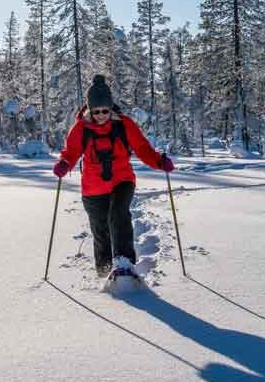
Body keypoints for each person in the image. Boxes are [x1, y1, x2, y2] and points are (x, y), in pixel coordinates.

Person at [53, 74, 175, 278]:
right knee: (100, 230)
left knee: (118, 215)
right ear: (89, 109)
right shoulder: (80, 129)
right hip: (93, 187)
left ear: (111, 107)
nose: (101, 115)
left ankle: (125, 262)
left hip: (122, 179)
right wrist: (64, 164)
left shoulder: (124, 124)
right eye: (96, 111)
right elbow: (71, 152)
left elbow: (143, 148)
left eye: (105, 110)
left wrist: (159, 161)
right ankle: (104, 272)